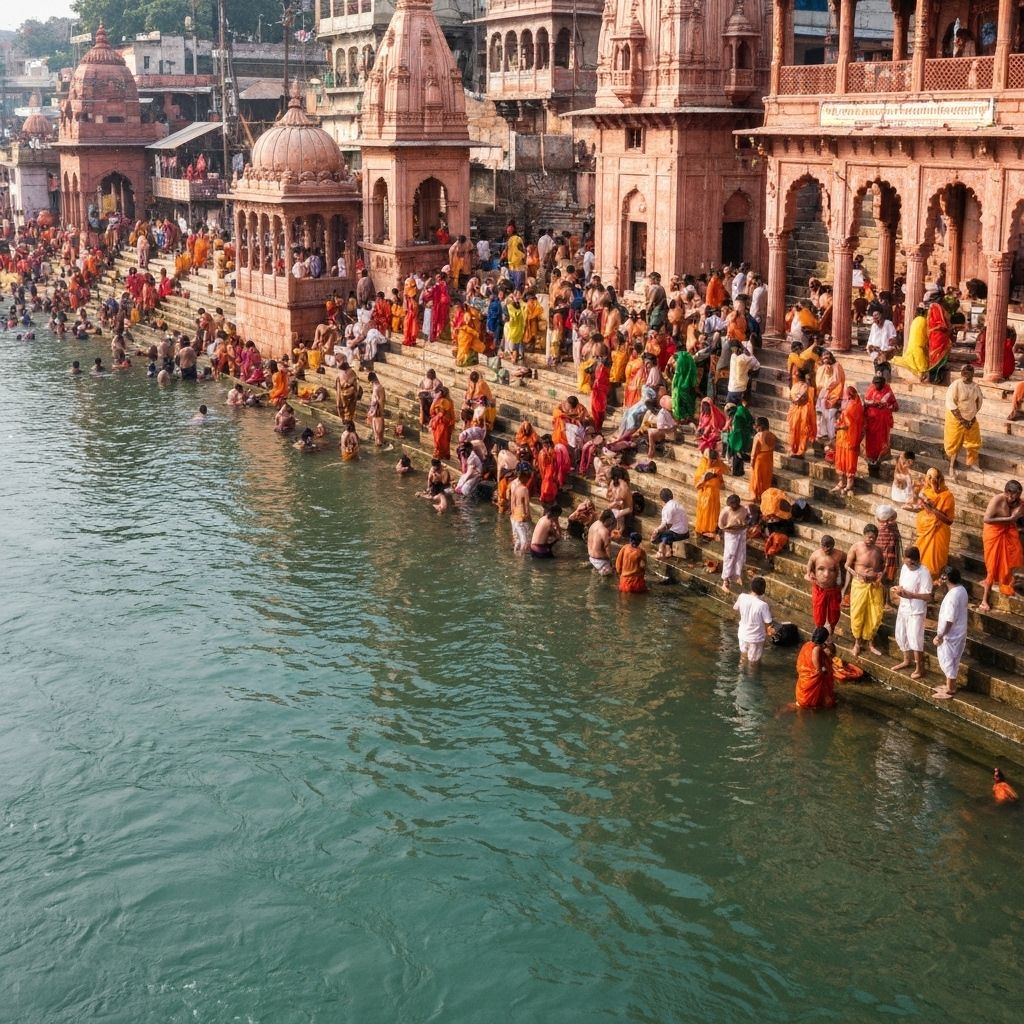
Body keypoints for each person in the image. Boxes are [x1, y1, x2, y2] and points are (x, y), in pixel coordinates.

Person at [978, 480, 1024, 611]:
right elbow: (986, 519)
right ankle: (984, 601)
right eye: (1014, 497)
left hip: (1008, 534)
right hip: (993, 534)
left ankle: (1007, 580)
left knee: (1012, 560)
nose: (1016, 500)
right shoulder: (997, 500)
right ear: (1007, 493)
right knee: (992, 567)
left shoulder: (1019, 501)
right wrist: (1010, 519)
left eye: (1018, 496)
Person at [892, 546, 933, 680]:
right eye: (906, 562)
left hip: (917, 610)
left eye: (911, 563)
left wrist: (911, 595)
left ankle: (920, 668)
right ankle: (906, 660)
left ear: (917, 561)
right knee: (901, 633)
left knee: (915, 638)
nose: (909, 566)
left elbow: (928, 596)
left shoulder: (924, 572)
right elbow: (902, 585)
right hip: (904, 607)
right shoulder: (904, 568)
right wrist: (899, 590)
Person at [844, 523, 885, 657]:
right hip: (859, 584)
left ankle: (871, 643)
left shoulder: (879, 550)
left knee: (875, 614)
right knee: (857, 613)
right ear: (864, 535)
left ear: (876, 537)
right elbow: (847, 565)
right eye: (868, 537)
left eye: (873, 537)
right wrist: (858, 574)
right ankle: (857, 643)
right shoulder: (856, 547)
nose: (871, 540)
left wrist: (880, 576)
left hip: (874, 586)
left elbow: (883, 567)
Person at [931, 566, 969, 699]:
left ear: (946, 578)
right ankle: (949, 685)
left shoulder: (952, 596)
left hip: (951, 634)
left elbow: (949, 620)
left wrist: (940, 635)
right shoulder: (961, 589)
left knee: (948, 661)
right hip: (959, 631)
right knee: (953, 660)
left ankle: (951, 689)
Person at [915, 467, 955, 578]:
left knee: (934, 566)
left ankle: (933, 582)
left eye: (935, 477)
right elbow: (919, 507)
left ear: (940, 479)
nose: (932, 480)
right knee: (920, 560)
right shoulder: (925, 491)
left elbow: (949, 521)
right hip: (924, 531)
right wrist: (922, 505)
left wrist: (933, 510)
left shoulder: (947, 496)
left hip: (938, 532)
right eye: (929, 477)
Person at [944, 363, 983, 475]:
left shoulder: (975, 387)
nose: (966, 375)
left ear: (972, 374)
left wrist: (971, 416)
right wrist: (962, 420)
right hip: (956, 419)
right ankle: (951, 466)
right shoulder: (955, 385)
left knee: (974, 442)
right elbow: (951, 403)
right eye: (964, 373)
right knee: (955, 443)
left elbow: (979, 402)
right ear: (961, 374)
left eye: (968, 373)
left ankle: (972, 463)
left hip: (971, 418)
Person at [806, 535, 845, 634]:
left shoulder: (839, 555)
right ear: (821, 545)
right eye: (824, 546)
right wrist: (810, 573)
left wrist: (843, 580)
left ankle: (831, 630)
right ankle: (819, 632)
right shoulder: (816, 555)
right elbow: (809, 566)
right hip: (819, 588)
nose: (826, 549)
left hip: (833, 589)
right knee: (818, 612)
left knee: (834, 612)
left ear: (833, 545)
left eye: (829, 546)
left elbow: (849, 562)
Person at [734, 576, 775, 666]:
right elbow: (768, 624)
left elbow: (736, 608)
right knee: (753, 663)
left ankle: (741, 678)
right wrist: (771, 633)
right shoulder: (763, 605)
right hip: (755, 638)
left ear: (751, 587)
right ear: (763, 590)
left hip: (742, 634)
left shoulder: (742, 596)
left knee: (743, 658)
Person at [832, 385, 864, 495]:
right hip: (842, 438)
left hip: (850, 438)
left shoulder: (854, 407)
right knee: (841, 459)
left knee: (849, 461)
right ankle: (841, 482)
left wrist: (838, 426)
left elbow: (848, 424)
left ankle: (849, 485)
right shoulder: (851, 404)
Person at [795, 627, 836, 709]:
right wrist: (827, 670)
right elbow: (818, 669)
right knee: (812, 702)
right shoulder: (816, 649)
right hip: (811, 679)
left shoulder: (807, 644)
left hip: (804, 678)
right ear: (824, 638)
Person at [863, 374, 898, 464]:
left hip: (883, 421)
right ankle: (870, 456)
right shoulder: (871, 388)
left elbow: (895, 406)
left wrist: (886, 405)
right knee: (871, 438)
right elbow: (865, 402)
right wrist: (873, 403)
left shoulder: (888, 390)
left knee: (882, 438)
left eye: (879, 383)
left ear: (883, 383)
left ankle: (882, 455)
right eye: (876, 383)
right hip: (871, 420)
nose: (877, 385)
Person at [694, 447, 726, 539]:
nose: (712, 463)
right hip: (704, 498)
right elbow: (697, 486)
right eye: (710, 461)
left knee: (713, 515)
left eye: (714, 461)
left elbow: (722, 485)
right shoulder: (701, 469)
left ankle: (711, 531)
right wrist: (704, 479)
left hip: (715, 497)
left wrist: (716, 477)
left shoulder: (717, 468)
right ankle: (703, 531)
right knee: (705, 514)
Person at [719, 494, 748, 591]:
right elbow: (721, 525)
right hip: (730, 535)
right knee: (729, 556)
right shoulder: (725, 511)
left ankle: (736, 575)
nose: (733, 507)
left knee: (740, 555)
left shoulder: (743, 510)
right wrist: (730, 527)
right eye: (732, 505)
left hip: (741, 533)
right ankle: (725, 580)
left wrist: (742, 526)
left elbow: (746, 521)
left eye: (735, 505)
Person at [651, 488, 690, 558]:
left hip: (679, 534)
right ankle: (668, 550)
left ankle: (660, 551)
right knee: (665, 532)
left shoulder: (667, 508)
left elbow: (667, 525)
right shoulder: (677, 504)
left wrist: (656, 531)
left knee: (662, 535)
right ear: (672, 496)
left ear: (662, 499)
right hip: (686, 532)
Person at [748, 417, 776, 501]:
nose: (756, 428)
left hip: (759, 459)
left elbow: (754, 451)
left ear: (761, 426)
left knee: (757, 477)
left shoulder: (758, 436)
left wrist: (752, 462)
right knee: (766, 477)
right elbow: (772, 447)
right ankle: (764, 494)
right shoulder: (772, 435)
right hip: (768, 458)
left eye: (756, 426)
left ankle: (756, 496)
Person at [510, 467, 533, 554]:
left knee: (517, 540)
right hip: (522, 518)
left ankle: (515, 555)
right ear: (524, 477)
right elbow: (526, 506)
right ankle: (521, 561)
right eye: (528, 478)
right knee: (525, 541)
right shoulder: (524, 489)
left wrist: (513, 515)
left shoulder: (515, 487)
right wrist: (528, 517)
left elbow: (512, 504)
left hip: (514, 517)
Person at [429, 386, 456, 460]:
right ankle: (439, 453)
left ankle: (440, 454)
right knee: (437, 439)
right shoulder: (437, 400)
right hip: (437, 423)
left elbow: (449, 413)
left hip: (444, 423)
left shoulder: (447, 401)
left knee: (441, 440)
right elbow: (431, 411)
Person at [588, 509, 616, 575]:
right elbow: (608, 551)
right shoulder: (605, 531)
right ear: (608, 520)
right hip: (602, 562)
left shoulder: (594, 524)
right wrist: (612, 564)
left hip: (591, 558)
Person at [366, 371, 385, 448]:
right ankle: (378, 442)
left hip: (377, 409)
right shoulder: (378, 387)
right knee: (377, 431)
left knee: (377, 431)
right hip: (376, 409)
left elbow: (379, 400)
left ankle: (378, 442)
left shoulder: (377, 388)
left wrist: (379, 411)